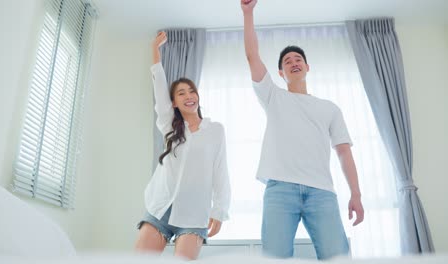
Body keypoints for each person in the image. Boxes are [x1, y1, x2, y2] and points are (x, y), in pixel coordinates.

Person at [240, 0, 364, 260]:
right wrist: (248, 13)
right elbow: (252, 56)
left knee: (337, 257)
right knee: (275, 258)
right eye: (287, 61)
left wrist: (356, 194)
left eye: (298, 59)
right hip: (279, 190)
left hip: (321, 193)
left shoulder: (329, 108)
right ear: (281, 72)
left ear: (307, 67)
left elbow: (344, 152)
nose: (293, 62)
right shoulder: (273, 96)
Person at [135, 31, 231, 260]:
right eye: (181, 93)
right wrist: (155, 51)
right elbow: (159, 88)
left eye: (192, 91)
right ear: (174, 103)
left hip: (194, 213)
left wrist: (219, 210)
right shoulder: (169, 126)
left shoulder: (215, 130)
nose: (189, 96)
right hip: (162, 207)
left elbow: (220, 171)